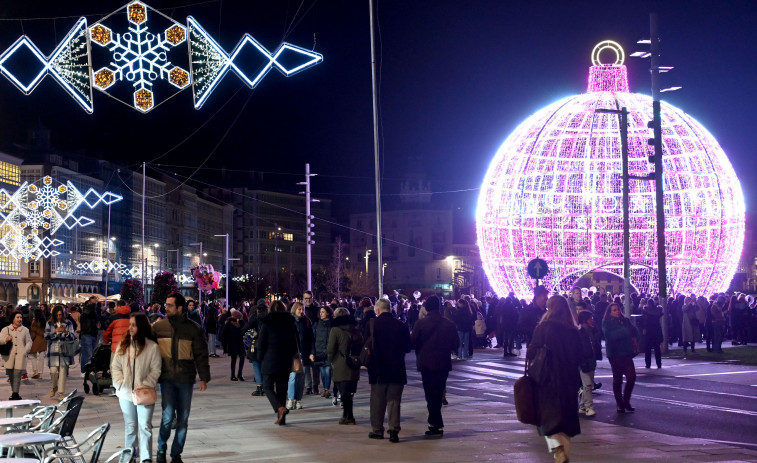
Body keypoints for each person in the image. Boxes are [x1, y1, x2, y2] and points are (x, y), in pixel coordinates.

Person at [152, 293, 210, 463]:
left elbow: (201, 354)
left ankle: (176, 453)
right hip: (166, 378)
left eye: (169, 305)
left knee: (183, 419)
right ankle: (161, 449)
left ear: (179, 308)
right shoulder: (159, 327)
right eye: (165, 304)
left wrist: (204, 377)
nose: (166, 307)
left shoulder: (194, 329)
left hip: (186, 378)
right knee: (167, 417)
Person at [527, 296, 582, 463]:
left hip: (547, 379)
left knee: (546, 418)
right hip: (569, 379)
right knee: (565, 420)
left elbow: (531, 352)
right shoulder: (572, 330)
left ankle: (558, 449)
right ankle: (563, 455)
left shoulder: (543, 327)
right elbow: (580, 355)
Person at [111, 313, 162, 463]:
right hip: (125, 392)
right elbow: (115, 367)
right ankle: (131, 454)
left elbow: (155, 369)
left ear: (141, 327)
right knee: (131, 425)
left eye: (134, 325)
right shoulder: (124, 344)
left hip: (144, 393)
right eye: (130, 325)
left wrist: (145, 384)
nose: (131, 328)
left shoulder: (152, 347)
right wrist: (120, 383)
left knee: (145, 426)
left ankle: (146, 458)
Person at [410, 295, 459, 437]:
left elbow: (413, 343)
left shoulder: (421, 324)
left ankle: (435, 423)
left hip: (426, 362)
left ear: (427, 308)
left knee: (430, 393)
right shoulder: (448, 324)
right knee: (438, 391)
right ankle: (435, 423)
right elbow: (455, 344)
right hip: (443, 362)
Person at [367, 299, 411, 443]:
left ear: (377, 310)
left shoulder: (373, 324)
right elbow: (408, 347)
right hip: (396, 368)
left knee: (377, 401)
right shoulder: (401, 325)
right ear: (390, 309)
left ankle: (377, 430)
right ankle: (393, 430)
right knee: (394, 401)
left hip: (378, 368)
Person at [256, 300, 298, 426]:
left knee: (267, 387)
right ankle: (282, 418)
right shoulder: (290, 323)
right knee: (282, 390)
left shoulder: (267, 324)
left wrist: (259, 358)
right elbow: (295, 343)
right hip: (285, 360)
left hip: (270, 360)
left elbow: (261, 344)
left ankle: (280, 409)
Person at [327, 307, 362, 425]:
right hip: (354, 363)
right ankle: (347, 416)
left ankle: (349, 417)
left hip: (340, 363)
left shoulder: (335, 330)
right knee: (349, 393)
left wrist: (330, 360)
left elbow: (331, 349)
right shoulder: (356, 330)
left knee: (344, 392)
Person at [602, 302, 638, 413]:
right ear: (609, 312)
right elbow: (609, 336)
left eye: (618, 309)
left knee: (631, 377)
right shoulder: (606, 323)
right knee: (617, 379)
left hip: (626, 353)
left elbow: (634, 330)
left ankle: (626, 400)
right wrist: (624, 331)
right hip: (615, 354)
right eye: (614, 310)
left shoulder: (625, 320)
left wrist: (635, 337)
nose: (617, 311)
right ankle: (619, 403)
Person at [45, 306, 76, 400]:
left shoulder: (68, 323)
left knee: (63, 372)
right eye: (57, 315)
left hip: (64, 350)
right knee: (53, 372)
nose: (59, 316)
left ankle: (61, 393)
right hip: (53, 350)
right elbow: (46, 336)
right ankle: (54, 387)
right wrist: (54, 331)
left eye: (61, 314)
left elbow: (73, 336)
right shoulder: (49, 323)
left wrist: (66, 332)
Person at [0, 311, 32, 400]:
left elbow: (29, 341)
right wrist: (6, 339)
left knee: (17, 375)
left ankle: (15, 393)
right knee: (11, 375)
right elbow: (0, 339)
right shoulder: (6, 329)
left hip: (20, 356)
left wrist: (25, 351)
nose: (19, 319)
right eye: (17, 317)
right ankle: (14, 391)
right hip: (9, 356)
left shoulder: (25, 330)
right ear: (13, 319)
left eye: (21, 317)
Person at [288, 302, 312, 410]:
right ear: (294, 309)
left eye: (302, 309)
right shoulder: (289, 321)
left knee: (301, 378)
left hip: (304, 353)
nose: (301, 311)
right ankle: (291, 398)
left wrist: (312, 352)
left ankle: (297, 399)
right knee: (293, 377)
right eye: (299, 309)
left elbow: (311, 338)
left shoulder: (307, 321)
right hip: (293, 353)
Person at [577, 310, 600, 417]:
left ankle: (582, 406)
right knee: (588, 385)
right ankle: (589, 407)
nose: (592, 320)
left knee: (589, 384)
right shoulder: (579, 332)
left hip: (591, 361)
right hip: (583, 362)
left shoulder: (591, 330)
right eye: (590, 318)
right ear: (585, 319)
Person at [243, 301, 268, 397]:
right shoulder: (269, 317)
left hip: (256, 344)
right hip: (268, 345)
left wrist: (250, 333)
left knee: (256, 364)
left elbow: (245, 328)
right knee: (265, 365)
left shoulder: (255, 318)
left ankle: (259, 387)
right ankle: (266, 386)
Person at [310, 306, 333, 399]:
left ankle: (326, 389)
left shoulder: (332, 324)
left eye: (323, 312)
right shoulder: (316, 324)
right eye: (320, 312)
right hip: (318, 350)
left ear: (328, 313)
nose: (321, 314)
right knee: (323, 372)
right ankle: (325, 388)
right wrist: (312, 352)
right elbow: (313, 338)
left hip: (328, 350)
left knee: (327, 370)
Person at [79, 296, 100, 377]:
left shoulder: (93, 313)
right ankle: (84, 371)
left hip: (93, 334)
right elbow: (89, 310)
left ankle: (90, 370)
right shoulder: (85, 313)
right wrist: (92, 303)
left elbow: (98, 316)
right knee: (87, 354)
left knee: (93, 354)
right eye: (90, 304)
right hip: (86, 334)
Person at [222, 309, 246, 381]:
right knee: (234, 359)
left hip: (240, 342)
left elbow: (246, 329)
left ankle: (240, 374)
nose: (240, 319)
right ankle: (233, 375)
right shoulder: (228, 324)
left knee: (242, 357)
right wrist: (225, 346)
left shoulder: (241, 323)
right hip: (232, 343)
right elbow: (224, 335)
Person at [642, 299, 663, 369]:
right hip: (656, 330)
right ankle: (659, 363)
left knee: (648, 349)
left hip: (649, 330)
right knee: (657, 348)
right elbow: (661, 312)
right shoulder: (658, 310)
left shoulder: (646, 310)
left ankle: (648, 364)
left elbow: (643, 317)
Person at [28, 309, 47, 379]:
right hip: (44, 340)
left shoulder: (35, 322)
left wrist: (31, 339)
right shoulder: (44, 321)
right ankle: (40, 373)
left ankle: (35, 371)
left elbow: (33, 333)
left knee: (32, 354)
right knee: (41, 358)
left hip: (37, 339)